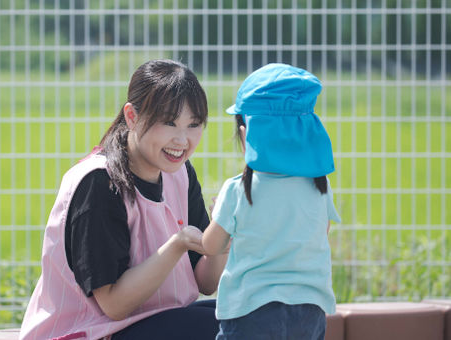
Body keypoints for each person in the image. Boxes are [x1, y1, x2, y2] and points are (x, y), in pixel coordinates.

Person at [20, 59, 227, 340]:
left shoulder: (180, 174)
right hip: (88, 332)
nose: (182, 140)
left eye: (193, 125)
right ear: (132, 116)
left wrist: (223, 234)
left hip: (153, 322)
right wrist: (177, 244)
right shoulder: (99, 183)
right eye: (168, 122)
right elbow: (114, 305)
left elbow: (205, 281)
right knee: (220, 330)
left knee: (243, 315)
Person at [201, 63, 341, 340]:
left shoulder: (238, 190)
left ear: (245, 135)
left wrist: (218, 214)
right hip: (310, 311)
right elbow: (319, 232)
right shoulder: (319, 187)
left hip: (250, 313)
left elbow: (211, 245)